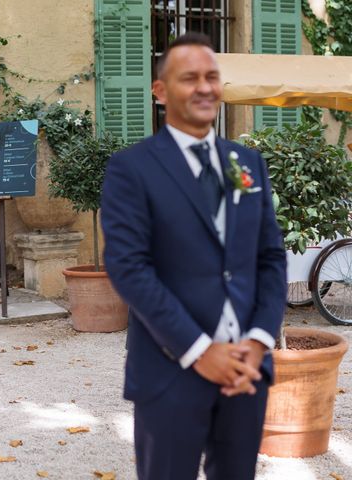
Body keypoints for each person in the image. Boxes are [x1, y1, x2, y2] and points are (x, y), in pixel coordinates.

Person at [100, 32, 287, 480]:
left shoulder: (247, 163)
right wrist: (201, 351)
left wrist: (259, 339)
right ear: (161, 92)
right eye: (189, 78)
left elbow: (270, 258)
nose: (205, 87)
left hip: (247, 369)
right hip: (171, 370)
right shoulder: (132, 168)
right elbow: (129, 266)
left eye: (212, 77)